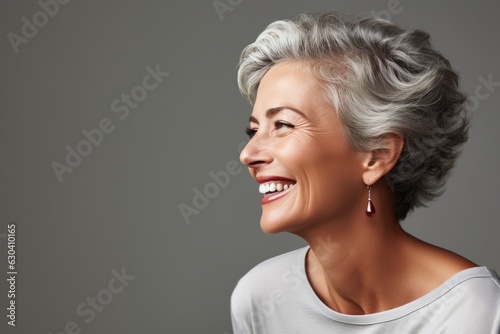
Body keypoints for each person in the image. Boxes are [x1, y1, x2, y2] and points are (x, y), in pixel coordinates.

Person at [230, 12, 500, 333]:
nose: (248, 155)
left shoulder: (471, 310)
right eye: (254, 130)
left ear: (377, 156)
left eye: (283, 125)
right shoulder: (260, 298)